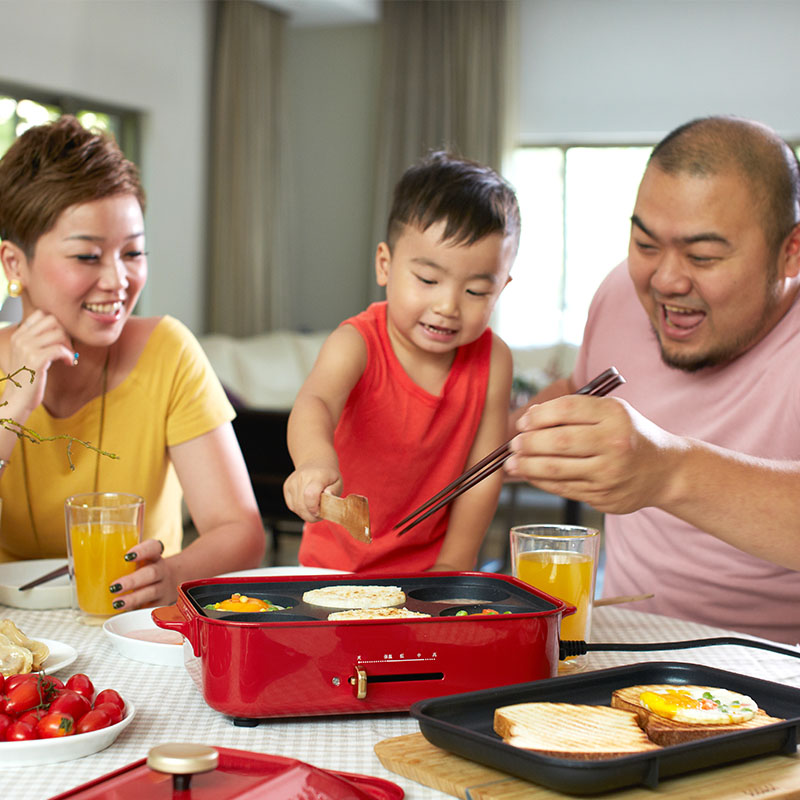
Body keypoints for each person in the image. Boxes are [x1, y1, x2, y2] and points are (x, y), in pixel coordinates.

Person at [505, 115, 800, 645]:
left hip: (779, 660)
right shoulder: (622, 292)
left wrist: (668, 472)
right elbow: (574, 391)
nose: (665, 280)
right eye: (644, 244)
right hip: (625, 637)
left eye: (703, 256)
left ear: (791, 250)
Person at [0, 116, 265, 608]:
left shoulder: (168, 351)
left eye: (133, 252)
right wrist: (12, 408)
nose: (118, 280)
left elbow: (241, 532)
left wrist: (172, 576)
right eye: (87, 256)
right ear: (16, 264)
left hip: (135, 629)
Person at [283, 152, 519, 573]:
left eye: (477, 292)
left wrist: (455, 562)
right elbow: (315, 403)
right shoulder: (356, 343)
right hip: (334, 568)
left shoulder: (493, 360)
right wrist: (314, 462)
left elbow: (481, 475)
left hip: (431, 571)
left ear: (501, 288)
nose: (447, 306)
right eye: (428, 280)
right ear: (385, 265)